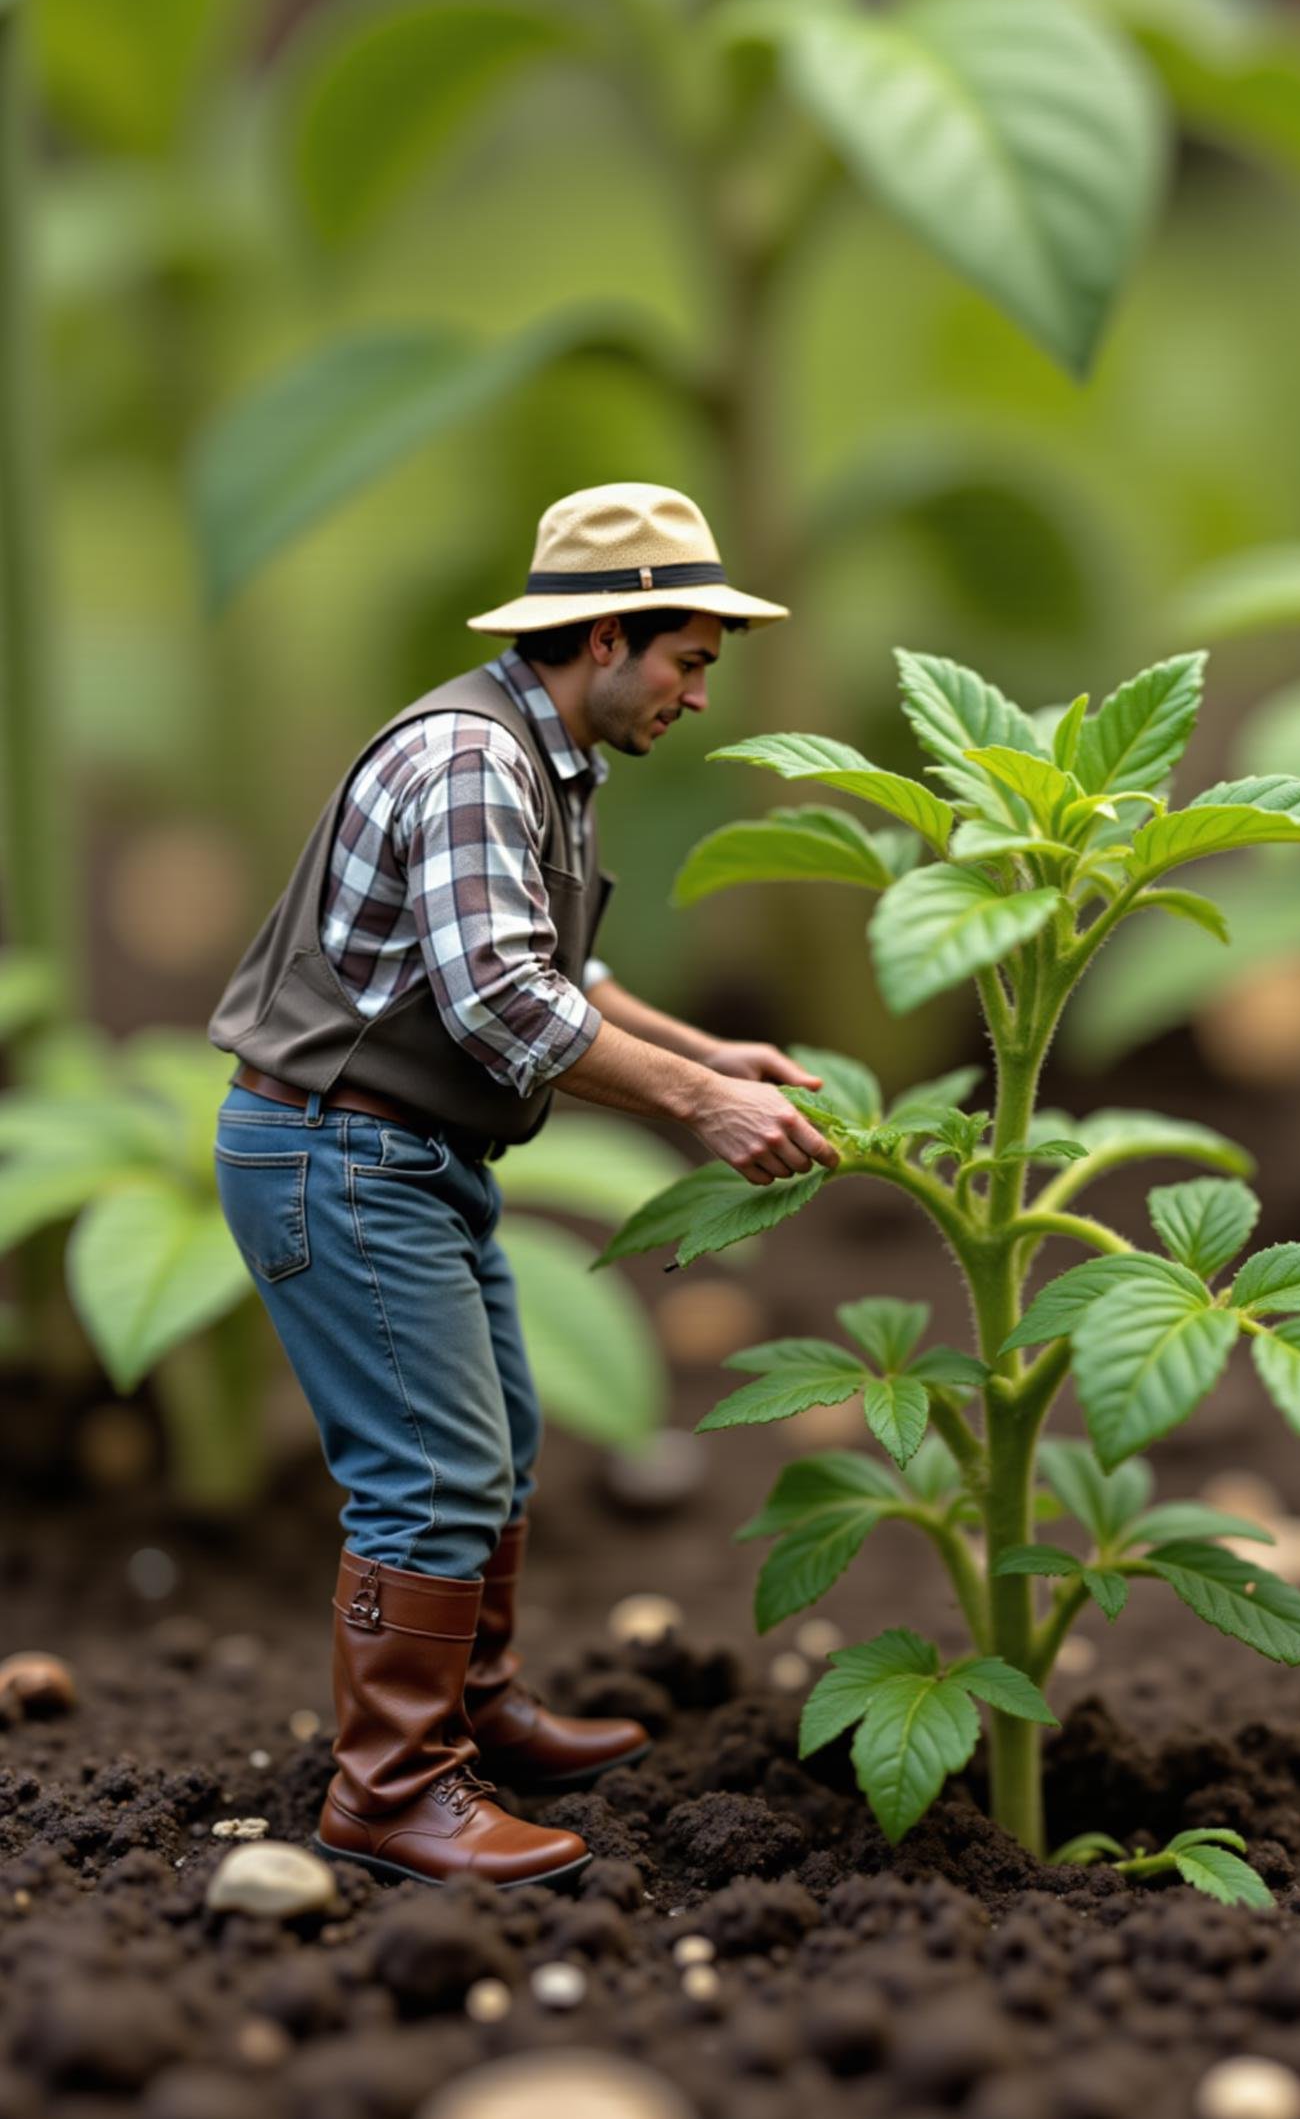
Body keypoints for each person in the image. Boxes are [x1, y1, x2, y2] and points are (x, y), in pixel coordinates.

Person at [207, 483, 839, 1890]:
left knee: (494, 1440)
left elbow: (562, 966)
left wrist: (699, 1044)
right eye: (688, 660)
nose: (695, 694)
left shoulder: (543, 759)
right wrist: (700, 1105)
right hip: (340, 1151)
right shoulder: (468, 759)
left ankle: (470, 1712)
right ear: (608, 635)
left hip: (406, 1157)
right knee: (426, 1475)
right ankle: (392, 1789)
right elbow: (496, 999)